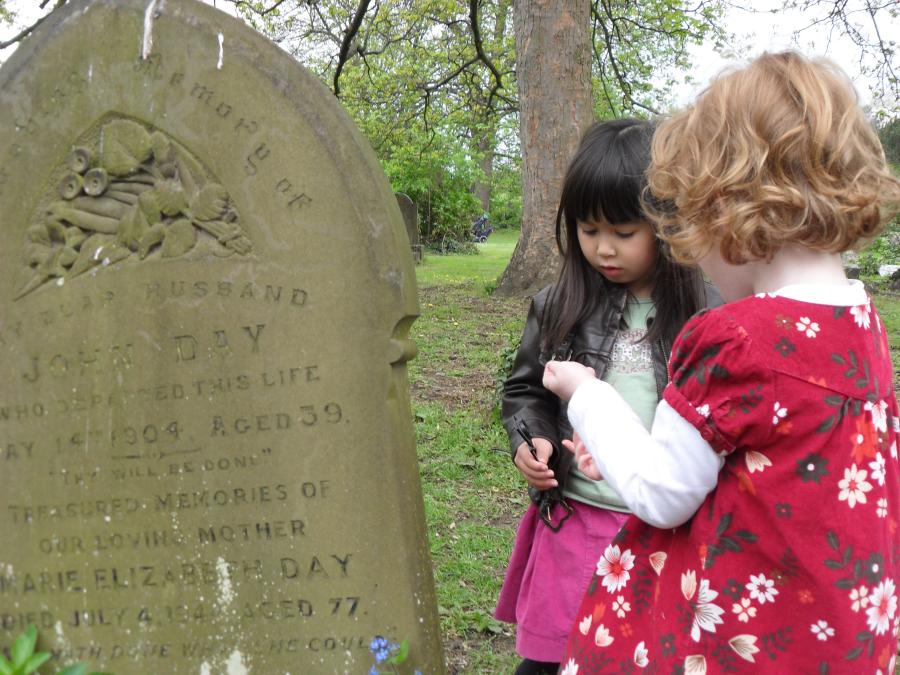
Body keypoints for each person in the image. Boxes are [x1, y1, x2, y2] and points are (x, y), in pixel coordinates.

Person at [543, 51, 900, 674]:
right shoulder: (859, 321)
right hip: (838, 632)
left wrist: (587, 396)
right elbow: (762, 468)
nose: (697, 258)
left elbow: (662, 493)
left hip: (744, 641)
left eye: (693, 228)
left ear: (729, 209)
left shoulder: (737, 339)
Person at [495, 118, 720, 675]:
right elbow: (527, 389)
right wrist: (533, 440)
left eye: (623, 232)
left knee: (639, 658)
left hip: (663, 533)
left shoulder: (706, 314)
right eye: (589, 230)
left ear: (665, 224)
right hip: (575, 519)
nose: (603, 248)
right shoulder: (558, 304)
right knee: (551, 658)